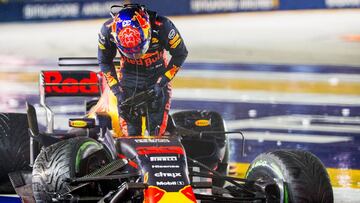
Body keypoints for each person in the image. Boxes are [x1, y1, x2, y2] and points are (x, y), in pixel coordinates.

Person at [98, 4, 188, 136]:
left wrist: (162, 82)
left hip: (157, 77)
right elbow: (105, 61)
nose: (135, 55)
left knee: (157, 132)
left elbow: (180, 54)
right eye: (130, 52)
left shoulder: (163, 27)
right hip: (128, 78)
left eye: (137, 49)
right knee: (130, 134)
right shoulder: (107, 31)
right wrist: (117, 91)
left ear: (147, 31)